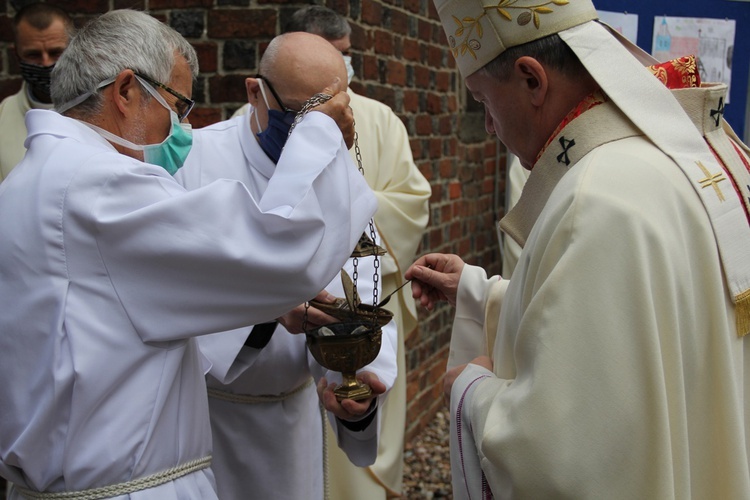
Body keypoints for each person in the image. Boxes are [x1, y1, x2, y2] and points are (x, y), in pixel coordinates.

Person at [0, 9, 377, 500]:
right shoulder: (101, 187)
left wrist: (266, 307)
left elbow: (109, 313)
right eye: (177, 105)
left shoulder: (27, 182)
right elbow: (283, 250)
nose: (182, 127)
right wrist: (321, 133)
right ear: (126, 91)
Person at [405, 0, 750, 497]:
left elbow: (564, 458)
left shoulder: (595, 195)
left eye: (482, 101)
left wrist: (470, 392)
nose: (488, 127)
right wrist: (479, 294)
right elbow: (646, 326)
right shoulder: (679, 154)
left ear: (531, 79)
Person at [175, 31, 399, 500]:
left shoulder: (338, 173)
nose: (314, 136)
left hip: (295, 420)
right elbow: (174, 295)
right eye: (300, 115)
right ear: (254, 92)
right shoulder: (195, 161)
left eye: (329, 117)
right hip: (208, 422)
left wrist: (353, 393)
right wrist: (269, 308)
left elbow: (363, 288)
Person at [0, 2, 74, 181]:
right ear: (17, 54)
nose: (46, 63)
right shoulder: (2, 116)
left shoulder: (102, 110)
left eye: (56, 52)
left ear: (74, 49)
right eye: (33, 54)